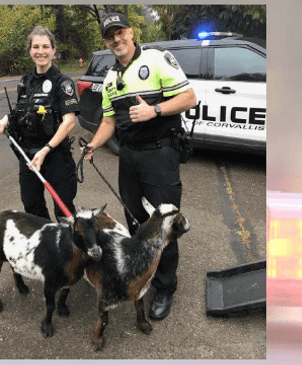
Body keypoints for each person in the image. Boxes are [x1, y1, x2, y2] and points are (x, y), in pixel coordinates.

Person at [82, 13, 196, 321]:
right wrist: (93, 144)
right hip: (128, 158)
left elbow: (189, 97)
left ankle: (166, 287)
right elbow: (108, 121)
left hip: (160, 157)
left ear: (131, 32)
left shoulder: (158, 60)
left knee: (163, 226)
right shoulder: (109, 78)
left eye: (120, 33)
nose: (116, 39)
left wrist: (155, 110)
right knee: (136, 224)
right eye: (110, 36)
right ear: (106, 42)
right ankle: (143, 274)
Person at [0, 26, 79, 221]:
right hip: (27, 156)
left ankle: (70, 247)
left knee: (63, 208)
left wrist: (45, 150)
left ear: (53, 50)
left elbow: (69, 122)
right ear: (30, 50)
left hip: (55, 155)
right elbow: (20, 111)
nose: (40, 51)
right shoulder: (25, 82)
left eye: (45, 46)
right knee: (32, 206)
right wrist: (6, 119)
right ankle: (47, 245)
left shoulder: (63, 82)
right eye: (35, 46)